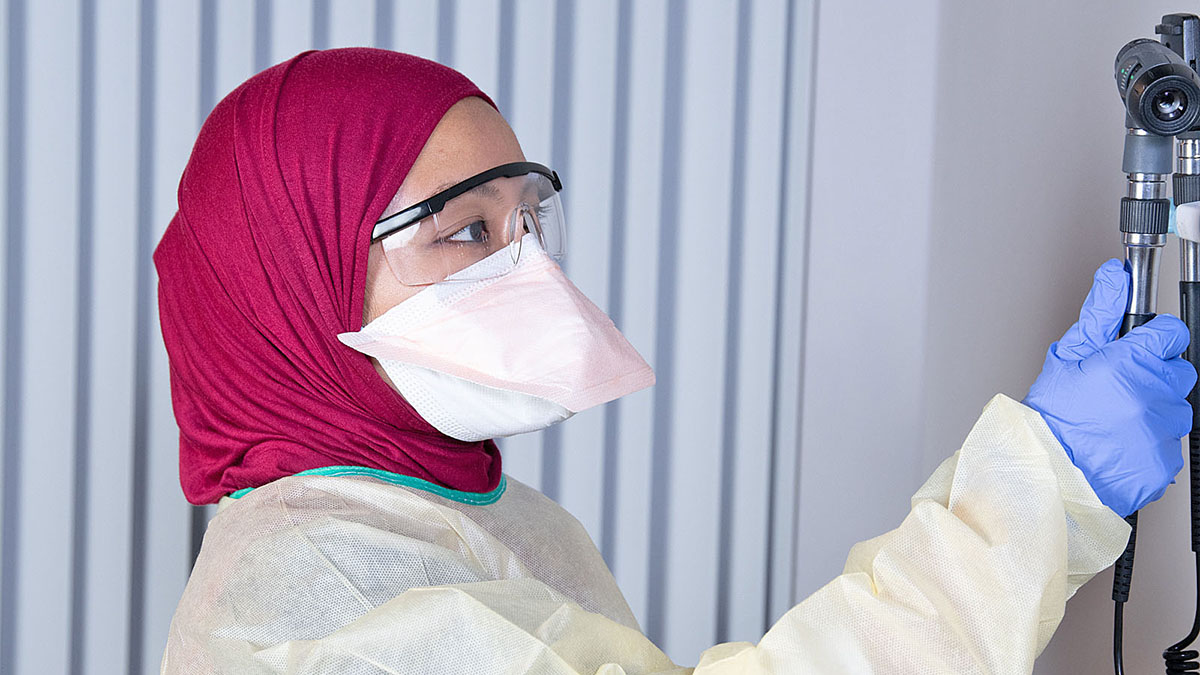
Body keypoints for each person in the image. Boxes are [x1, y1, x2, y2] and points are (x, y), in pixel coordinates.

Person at [155, 48, 1194, 674]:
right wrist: (1037, 489)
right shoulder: (321, 603)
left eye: (529, 221)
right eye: (466, 232)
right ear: (293, 278)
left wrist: (1039, 492)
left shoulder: (454, 517)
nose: (526, 268)